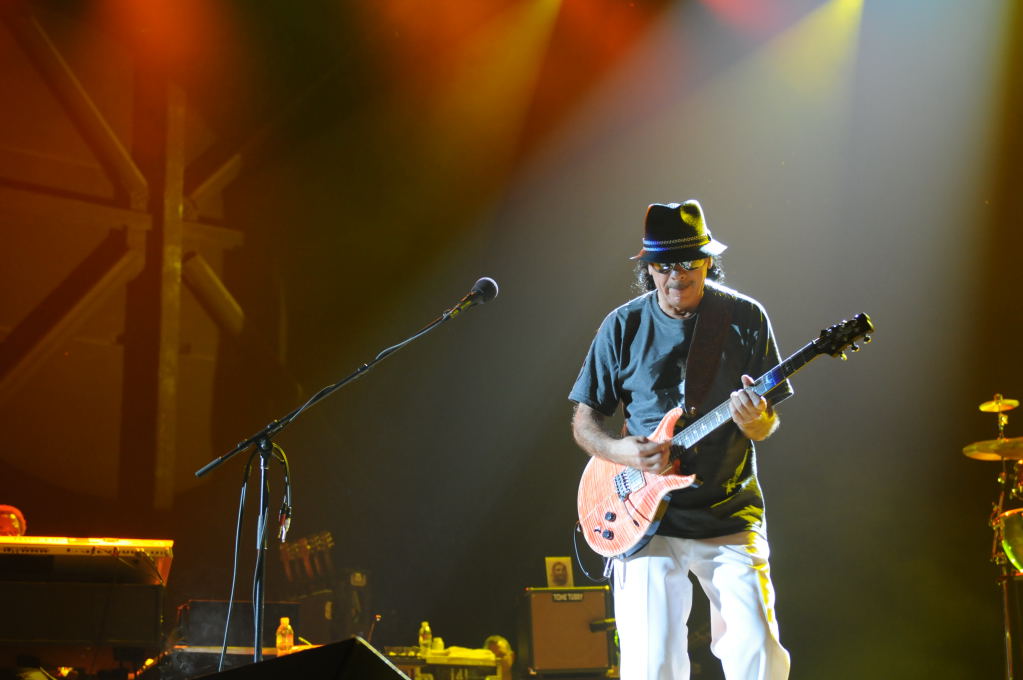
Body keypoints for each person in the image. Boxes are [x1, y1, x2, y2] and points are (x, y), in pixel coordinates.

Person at [568, 200, 792, 680]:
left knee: (759, 651)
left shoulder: (745, 317)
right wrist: (620, 451)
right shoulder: (623, 325)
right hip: (644, 518)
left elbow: (765, 426)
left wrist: (755, 420)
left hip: (727, 508)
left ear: (708, 262)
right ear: (648, 269)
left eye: (689, 262)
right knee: (651, 665)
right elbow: (585, 421)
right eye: (664, 264)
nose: (677, 275)